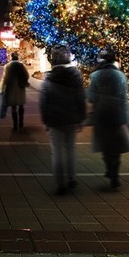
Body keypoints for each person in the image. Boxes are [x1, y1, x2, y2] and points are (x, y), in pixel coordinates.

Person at [40, 46, 86, 195]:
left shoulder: (48, 77)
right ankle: (72, 178)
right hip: (71, 118)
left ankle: (60, 183)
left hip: (54, 119)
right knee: (70, 149)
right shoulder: (76, 76)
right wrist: (81, 117)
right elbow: (80, 98)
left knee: (57, 152)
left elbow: (43, 101)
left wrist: (45, 120)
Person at [87, 48, 129, 189]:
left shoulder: (95, 76)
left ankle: (109, 169)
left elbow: (91, 97)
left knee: (105, 144)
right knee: (117, 145)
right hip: (117, 113)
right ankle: (115, 173)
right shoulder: (120, 76)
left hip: (101, 114)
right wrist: (126, 117)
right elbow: (124, 98)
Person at [1, 52, 30, 131]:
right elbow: (27, 75)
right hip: (20, 87)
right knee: (21, 105)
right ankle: (21, 122)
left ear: (11, 57)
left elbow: (5, 78)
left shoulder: (7, 66)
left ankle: (15, 125)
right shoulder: (21, 65)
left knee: (13, 107)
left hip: (11, 88)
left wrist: (2, 88)